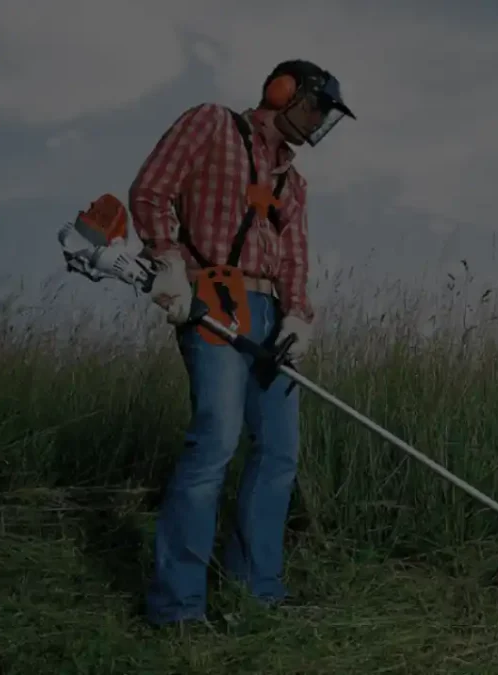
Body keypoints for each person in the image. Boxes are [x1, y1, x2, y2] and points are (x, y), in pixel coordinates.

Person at [127, 59, 356, 627]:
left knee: (279, 451)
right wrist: (168, 263)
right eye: (318, 107)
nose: (320, 121)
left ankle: (258, 589)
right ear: (284, 92)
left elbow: (294, 255)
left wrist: (298, 315)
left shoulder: (292, 181)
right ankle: (178, 609)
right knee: (216, 442)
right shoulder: (212, 124)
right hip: (212, 297)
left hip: (270, 312)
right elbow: (151, 190)